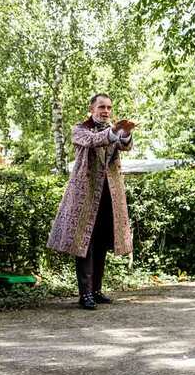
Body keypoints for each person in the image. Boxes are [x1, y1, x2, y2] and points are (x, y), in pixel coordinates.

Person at [47, 93, 136, 310]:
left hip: (109, 194)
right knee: (84, 243)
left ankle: (96, 291)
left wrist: (125, 133)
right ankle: (85, 294)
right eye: (101, 107)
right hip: (85, 195)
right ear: (92, 108)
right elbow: (93, 140)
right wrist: (114, 131)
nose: (106, 111)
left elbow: (125, 146)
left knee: (102, 242)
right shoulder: (80, 128)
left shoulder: (111, 130)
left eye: (109, 107)